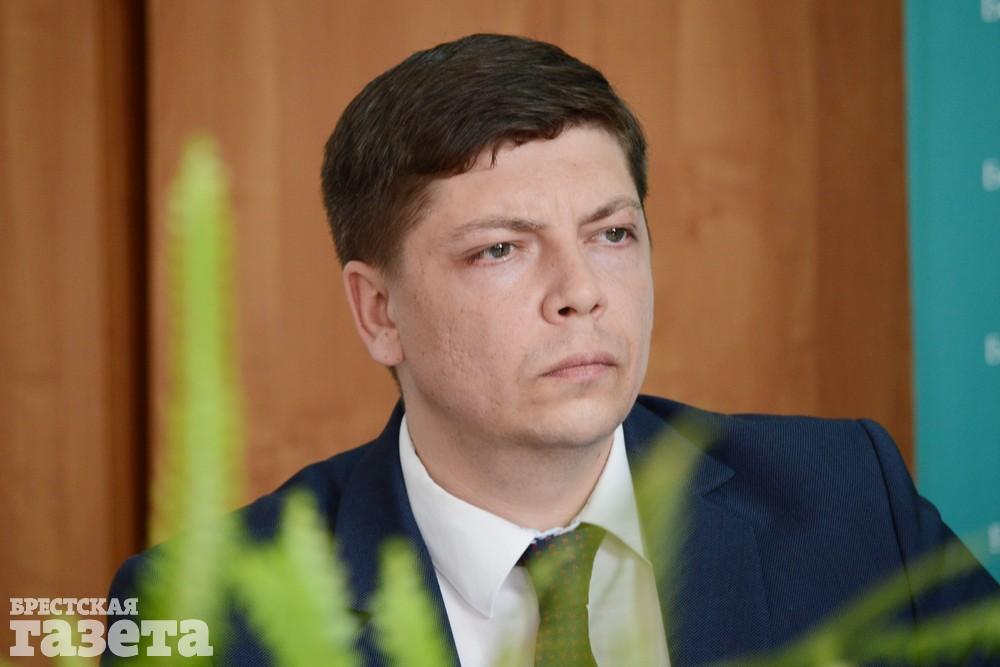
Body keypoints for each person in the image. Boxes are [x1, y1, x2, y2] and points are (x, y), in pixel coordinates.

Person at [108, 33, 998, 666]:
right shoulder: (198, 613)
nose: (582, 290)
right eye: (501, 248)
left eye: (612, 234)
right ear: (379, 311)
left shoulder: (851, 500)